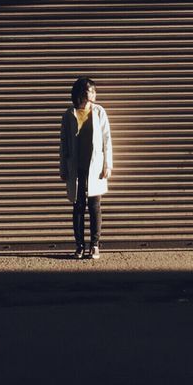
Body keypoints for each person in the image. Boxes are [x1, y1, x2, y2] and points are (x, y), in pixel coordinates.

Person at [59, 76, 112, 260]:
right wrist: (63, 168)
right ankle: (79, 246)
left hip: (95, 167)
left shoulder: (99, 112)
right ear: (82, 93)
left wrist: (108, 165)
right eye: (91, 90)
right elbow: (64, 143)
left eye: (94, 91)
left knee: (95, 206)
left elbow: (107, 140)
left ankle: (95, 245)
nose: (94, 94)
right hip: (76, 167)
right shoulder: (68, 114)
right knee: (78, 206)